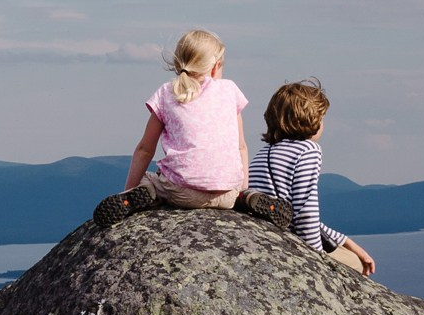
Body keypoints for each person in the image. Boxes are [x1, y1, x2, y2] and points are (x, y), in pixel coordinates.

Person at [92, 29, 294, 228]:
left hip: (181, 192)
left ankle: (143, 194)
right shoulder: (230, 91)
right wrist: (240, 189)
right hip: (227, 195)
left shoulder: (166, 93)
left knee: (151, 180)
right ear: (215, 67)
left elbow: (145, 149)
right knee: (237, 193)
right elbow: (241, 147)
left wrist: (127, 191)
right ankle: (247, 197)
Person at [249, 79, 376, 275]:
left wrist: (348, 243)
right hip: (293, 242)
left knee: (352, 255)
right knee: (356, 265)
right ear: (310, 119)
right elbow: (305, 213)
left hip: (267, 234)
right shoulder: (308, 150)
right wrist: (316, 261)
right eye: (322, 117)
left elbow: (291, 213)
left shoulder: (265, 151)